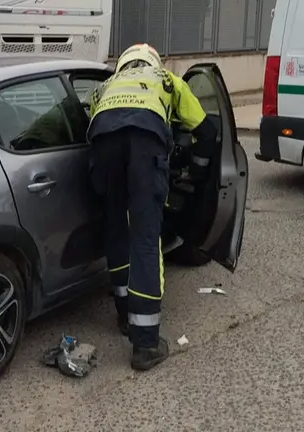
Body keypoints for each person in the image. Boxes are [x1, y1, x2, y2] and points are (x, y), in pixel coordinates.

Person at [87, 43, 218, 371]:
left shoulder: (104, 87)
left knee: (117, 228)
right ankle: (145, 344)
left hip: (103, 149)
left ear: (124, 64)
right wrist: (198, 169)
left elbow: (94, 126)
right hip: (145, 145)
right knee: (145, 238)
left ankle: (124, 314)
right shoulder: (168, 80)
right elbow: (206, 130)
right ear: (152, 62)